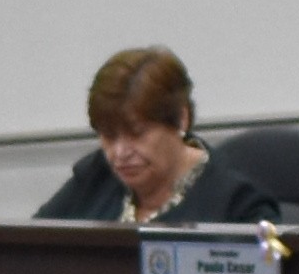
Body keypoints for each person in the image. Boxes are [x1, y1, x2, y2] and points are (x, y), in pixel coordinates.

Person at [39, 47, 226, 225]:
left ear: (180, 119)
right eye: (109, 136)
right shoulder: (96, 176)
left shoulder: (232, 201)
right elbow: (34, 240)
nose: (120, 153)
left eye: (137, 134)